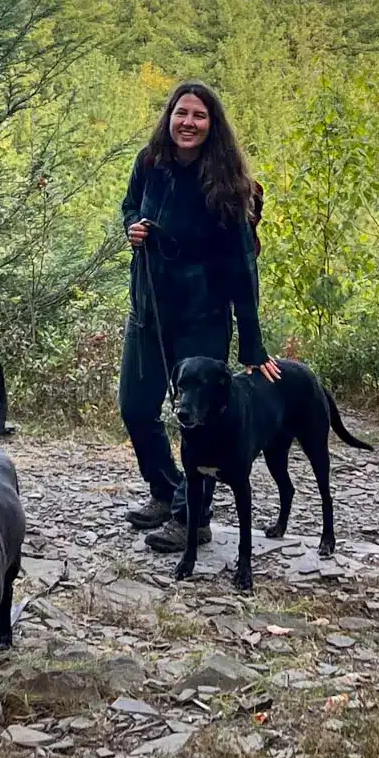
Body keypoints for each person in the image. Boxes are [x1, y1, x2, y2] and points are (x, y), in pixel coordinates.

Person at [119, 80, 280, 554]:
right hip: (148, 308)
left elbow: (241, 269)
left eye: (199, 116)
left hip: (202, 316)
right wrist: (132, 226)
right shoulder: (149, 162)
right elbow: (129, 204)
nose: (187, 123)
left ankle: (194, 517)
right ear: (169, 116)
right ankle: (168, 492)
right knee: (135, 407)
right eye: (181, 113)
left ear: (213, 126)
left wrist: (252, 345)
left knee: (199, 418)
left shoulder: (225, 185)